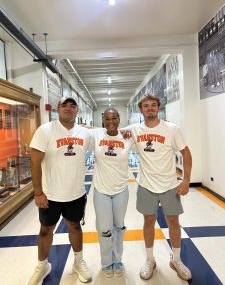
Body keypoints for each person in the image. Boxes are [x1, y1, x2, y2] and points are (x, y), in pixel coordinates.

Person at [27, 97, 92, 284]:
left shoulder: (85, 133)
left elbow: (107, 136)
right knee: (46, 230)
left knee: (75, 226)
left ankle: (78, 262)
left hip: (76, 193)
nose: (69, 108)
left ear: (77, 111)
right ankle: (42, 265)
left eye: (73, 106)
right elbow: (35, 162)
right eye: (65, 105)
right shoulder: (45, 131)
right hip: (50, 195)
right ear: (58, 109)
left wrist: (126, 134)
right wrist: (38, 192)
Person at [129, 93, 192, 281]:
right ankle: (150, 260)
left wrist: (186, 180)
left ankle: (176, 260)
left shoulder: (172, 129)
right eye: (146, 105)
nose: (150, 108)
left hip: (170, 185)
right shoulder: (134, 130)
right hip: (146, 185)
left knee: (174, 222)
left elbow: (186, 155)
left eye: (153, 105)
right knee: (148, 222)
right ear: (141, 109)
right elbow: (110, 130)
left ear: (158, 108)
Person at [90, 107, 134, 278]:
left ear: (119, 119)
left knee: (119, 227)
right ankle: (106, 262)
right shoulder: (97, 135)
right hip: (101, 190)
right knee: (104, 228)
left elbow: (145, 129)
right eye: (107, 119)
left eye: (114, 118)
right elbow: (80, 129)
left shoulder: (127, 137)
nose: (111, 122)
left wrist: (127, 131)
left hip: (121, 189)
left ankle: (118, 259)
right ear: (103, 121)